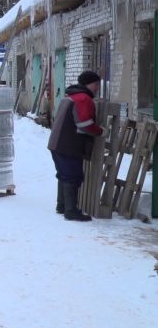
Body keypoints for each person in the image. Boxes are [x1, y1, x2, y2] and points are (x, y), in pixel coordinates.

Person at [47, 70, 105, 222]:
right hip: (69, 144)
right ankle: (71, 211)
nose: (97, 88)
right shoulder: (83, 99)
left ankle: (62, 206)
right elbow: (84, 124)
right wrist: (100, 131)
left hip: (57, 143)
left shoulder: (70, 97)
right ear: (88, 84)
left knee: (63, 174)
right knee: (72, 176)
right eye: (96, 84)